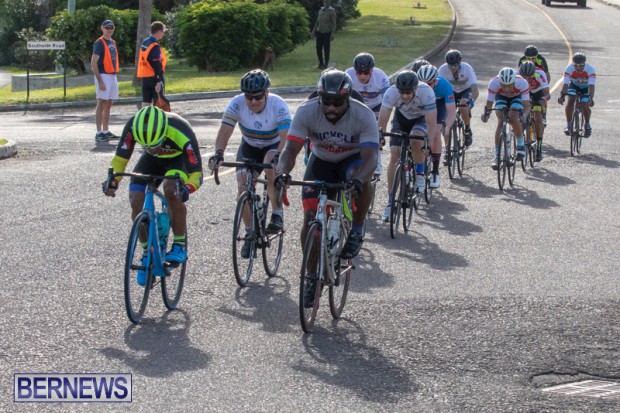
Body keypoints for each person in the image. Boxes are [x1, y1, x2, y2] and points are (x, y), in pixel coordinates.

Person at [275, 69, 379, 266]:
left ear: (348, 100)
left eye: (337, 102)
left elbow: (371, 157)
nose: (331, 107)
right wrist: (283, 173)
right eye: (326, 101)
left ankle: (356, 230)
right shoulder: (306, 111)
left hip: (351, 160)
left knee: (359, 176)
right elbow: (289, 150)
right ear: (319, 98)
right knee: (310, 219)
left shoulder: (363, 115)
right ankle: (310, 273)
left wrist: (359, 181)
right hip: (321, 160)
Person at [102, 106, 203, 285]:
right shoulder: (133, 126)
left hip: (178, 159)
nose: (152, 149)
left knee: (171, 189)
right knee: (135, 198)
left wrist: (187, 188)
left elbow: (197, 173)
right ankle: (146, 253)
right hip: (151, 162)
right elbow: (120, 160)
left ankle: (179, 245)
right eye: (146, 146)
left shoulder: (181, 131)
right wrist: (113, 181)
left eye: (155, 145)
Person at [208, 70, 291, 257]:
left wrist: (279, 156)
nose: (253, 101)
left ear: (267, 93)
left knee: (270, 164)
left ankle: (277, 214)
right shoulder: (236, 103)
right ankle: (249, 233)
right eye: (249, 97)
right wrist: (219, 153)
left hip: (274, 145)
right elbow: (225, 130)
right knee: (242, 186)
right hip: (250, 146)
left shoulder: (278, 105)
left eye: (258, 97)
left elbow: (286, 137)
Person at [378, 70, 437, 221]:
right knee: (394, 155)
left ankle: (420, 173)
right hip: (401, 119)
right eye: (402, 92)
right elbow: (383, 119)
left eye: (408, 92)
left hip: (420, 120)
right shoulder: (391, 92)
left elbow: (431, 123)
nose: (404, 96)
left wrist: (428, 145)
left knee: (416, 140)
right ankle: (390, 202)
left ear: (415, 88)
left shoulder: (426, 91)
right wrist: (380, 136)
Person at [344, 52, 390, 175]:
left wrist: (381, 129)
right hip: (357, 105)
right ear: (354, 70)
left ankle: (377, 161)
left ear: (371, 70)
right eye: (359, 72)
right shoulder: (348, 75)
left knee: (375, 130)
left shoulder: (381, 77)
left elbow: (386, 104)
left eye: (366, 73)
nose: (362, 76)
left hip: (376, 106)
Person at [481, 68, 530, 170]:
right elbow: (489, 103)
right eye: (504, 85)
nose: (507, 89)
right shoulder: (494, 83)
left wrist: (524, 115)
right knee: (501, 121)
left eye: (509, 85)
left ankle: (520, 144)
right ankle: (497, 156)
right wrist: (487, 114)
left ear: (514, 82)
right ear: (500, 82)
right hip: (501, 97)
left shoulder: (522, 83)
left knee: (513, 117)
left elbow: (526, 105)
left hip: (516, 97)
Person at [416, 64, 456, 189]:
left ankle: (435, 171)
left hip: (438, 103)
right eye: (423, 83)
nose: (426, 87)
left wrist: (447, 127)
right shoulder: (415, 87)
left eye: (429, 84)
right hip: (422, 103)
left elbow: (451, 112)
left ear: (435, 81)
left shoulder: (444, 85)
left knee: (437, 131)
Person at [437, 50, 479, 147]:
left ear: (460, 62)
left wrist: (471, 101)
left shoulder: (467, 68)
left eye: (455, 65)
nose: (453, 67)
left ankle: (467, 129)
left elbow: (475, 90)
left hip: (465, 90)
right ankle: (447, 147)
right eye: (450, 65)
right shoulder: (442, 70)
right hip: (450, 91)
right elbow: (438, 87)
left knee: (463, 106)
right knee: (445, 119)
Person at [91, 19, 120, 143]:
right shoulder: (99, 42)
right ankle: (99, 133)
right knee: (101, 103)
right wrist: (100, 80)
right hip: (103, 75)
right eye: (107, 27)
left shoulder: (112, 42)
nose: (109, 30)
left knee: (108, 103)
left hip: (112, 75)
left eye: (111, 27)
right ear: (102, 28)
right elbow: (93, 63)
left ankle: (106, 131)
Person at [558, 52, 596, 138]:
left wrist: (591, 98)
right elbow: (565, 84)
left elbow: (591, 86)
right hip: (574, 86)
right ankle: (569, 125)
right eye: (576, 65)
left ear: (584, 64)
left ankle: (587, 124)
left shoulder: (590, 69)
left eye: (581, 65)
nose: (578, 68)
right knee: (571, 99)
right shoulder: (569, 68)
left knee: (585, 104)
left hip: (586, 88)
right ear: (573, 64)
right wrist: (562, 96)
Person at [518, 61, 550, 161]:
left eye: (530, 77)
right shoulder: (516, 75)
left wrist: (544, 98)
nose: (527, 80)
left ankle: (539, 147)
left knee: (537, 116)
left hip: (537, 93)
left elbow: (547, 94)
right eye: (524, 77)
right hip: (524, 93)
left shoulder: (539, 74)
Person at [518, 45, 550, 126]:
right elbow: (521, 74)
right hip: (527, 85)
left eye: (533, 58)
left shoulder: (541, 60)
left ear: (536, 57)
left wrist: (545, 86)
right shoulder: (522, 60)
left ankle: (544, 115)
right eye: (528, 58)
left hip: (538, 84)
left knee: (542, 97)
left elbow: (546, 74)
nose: (531, 60)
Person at [137, 21, 167, 108]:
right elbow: (156, 63)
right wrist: (158, 81)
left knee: (146, 104)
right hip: (154, 77)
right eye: (163, 31)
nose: (163, 34)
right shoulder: (154, 45)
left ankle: (145, 117)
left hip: (145, 77)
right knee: (159, 104)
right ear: (159, 31)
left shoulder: (145, 42)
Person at [311, 0, 337, 69]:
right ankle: (321, 63)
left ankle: (326, 64)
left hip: (327, 32)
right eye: (325, 2)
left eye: (328, 2)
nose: (326, 3)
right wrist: (313, 31)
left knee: (326, 49)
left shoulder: (331, 11)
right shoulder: (320, 11)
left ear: (330, 3)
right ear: (323, 2)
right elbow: (317, 21)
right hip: (319, 31)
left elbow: (334, 23)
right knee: (318, 48)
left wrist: (332, 33)